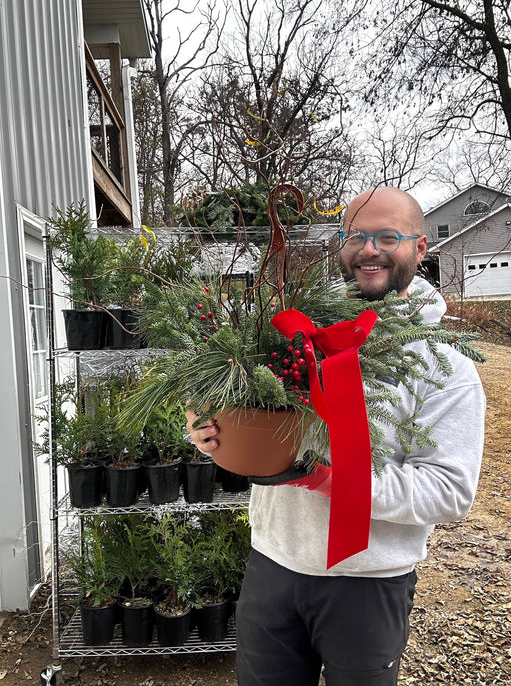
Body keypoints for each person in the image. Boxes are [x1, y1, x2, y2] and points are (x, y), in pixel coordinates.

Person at [185, 186, 485, 686]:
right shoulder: (294, 333)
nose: (369, 249)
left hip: (367, 584)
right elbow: (245, 414)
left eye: (388, 236)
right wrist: (208, 431)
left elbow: (450, 492)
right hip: (272, 564)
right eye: (355, 236)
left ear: (420, 248)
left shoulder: (445, 368)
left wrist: (333, 480)